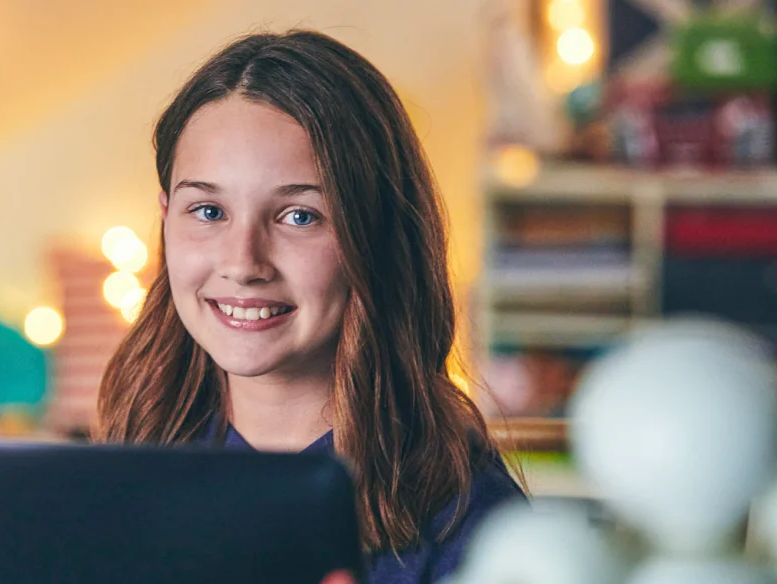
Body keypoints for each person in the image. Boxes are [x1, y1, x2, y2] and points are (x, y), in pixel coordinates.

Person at [94, 29, 525, 584]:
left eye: (300, 216)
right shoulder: (131, 451)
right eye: (207, 211)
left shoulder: (471, 522)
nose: (244, 262)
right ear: (165, 217)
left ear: (375, 235)